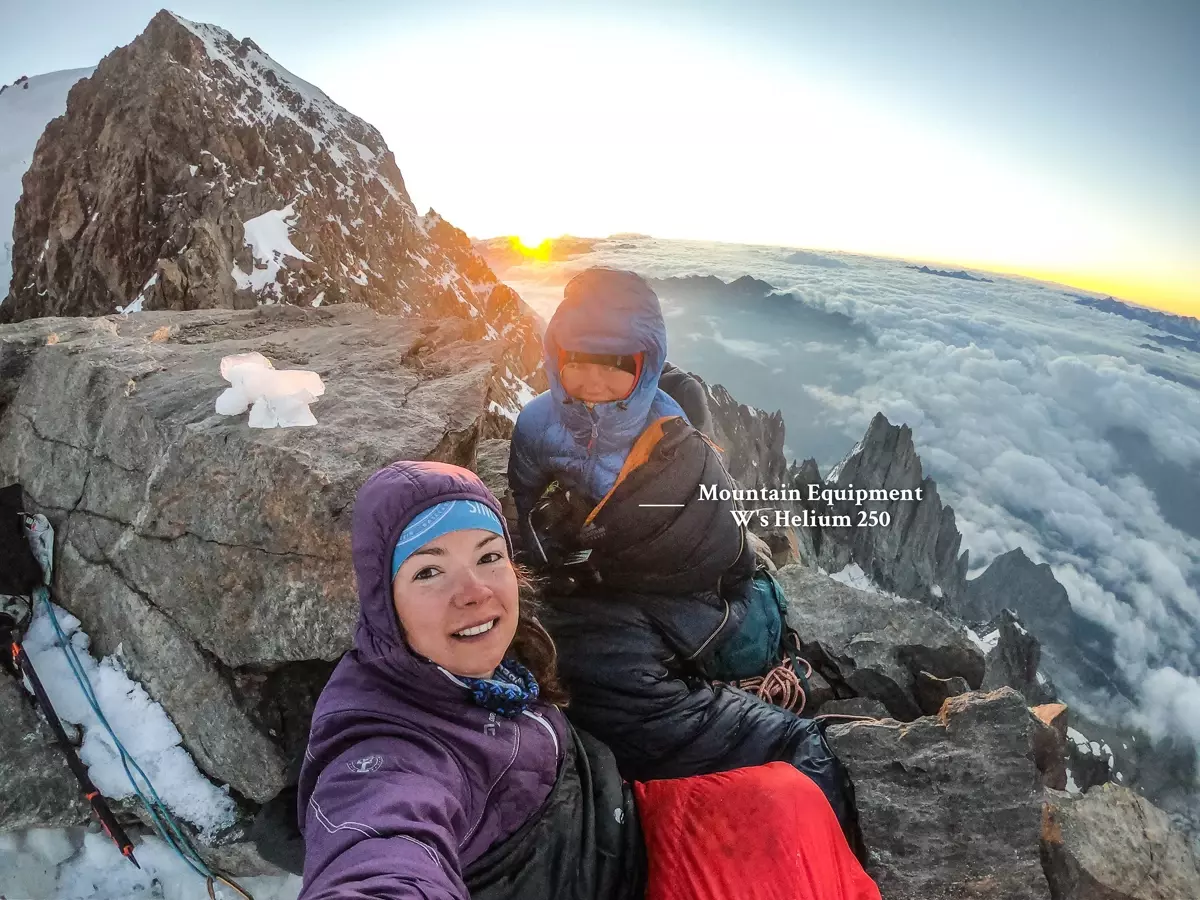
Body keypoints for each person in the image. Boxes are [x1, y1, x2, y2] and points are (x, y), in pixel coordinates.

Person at [296, 459, 880, 900]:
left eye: (488, 556)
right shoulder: (386, 746)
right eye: (429, 570)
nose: (473, 591)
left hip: (618, 829)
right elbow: (378, 844)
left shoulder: (489, 657)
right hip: (603, 878)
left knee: (790, 800)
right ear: (383, 600)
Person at [507, 267, 866, 854]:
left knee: (612, 669)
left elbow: (713, 548)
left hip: (684, 589)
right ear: (552, 356)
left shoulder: (675, 439)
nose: (594, 379)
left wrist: (603, 559)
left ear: (645, 366)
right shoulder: (539, 424)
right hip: (604, 571)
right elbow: (524, 502)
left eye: (617, 365)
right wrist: (553, 553)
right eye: (577, 359)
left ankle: (759, 708)